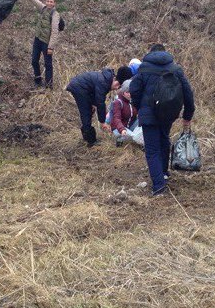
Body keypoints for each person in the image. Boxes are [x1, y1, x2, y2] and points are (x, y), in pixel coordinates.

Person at [130, 44, 195, 196]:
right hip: (168, 113)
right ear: (165, 53)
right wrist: (187, 115)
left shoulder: (143, 69)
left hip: (148, 115)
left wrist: (139, 107)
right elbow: (188, 93)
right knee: (164, 140)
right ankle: (164, 173)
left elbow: (134, 90)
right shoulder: (175, 69)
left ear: (150, 54)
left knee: (152, 150)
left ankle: (159, 186)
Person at [66, 66, 133, 147]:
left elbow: (94, 92)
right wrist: (103, 122)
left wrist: (93, 104)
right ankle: (91, 141)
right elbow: (100, 103)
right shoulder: (104, 83)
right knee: (86, 112)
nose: (115, 89)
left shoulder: (107, 79)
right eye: (117, 88)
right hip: (78, 87)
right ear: (117, 84)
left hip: (84, 88)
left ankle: (87, 137)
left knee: (89, 110)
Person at [15, 0, 60, 89]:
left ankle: (49, 86)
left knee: (48, 64)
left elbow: (55, 32)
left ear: (54, 3)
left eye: (51, 2)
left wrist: (51, 47)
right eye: (48, 1)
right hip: (38, 39)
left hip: (47, 43)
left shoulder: (55, 15)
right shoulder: (43, 8)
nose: (49, 3)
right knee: (34, 61)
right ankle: (38, 80)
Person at [110, 79, 138, 147]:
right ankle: (119, 140)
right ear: (123, 92)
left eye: (131, 92)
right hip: (119, 128)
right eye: (127, 92)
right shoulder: (118, 102)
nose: (130, 94)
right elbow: (116, 118)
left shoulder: (133, 101)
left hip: (129, 126)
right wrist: (122, 129)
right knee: (133, 137)